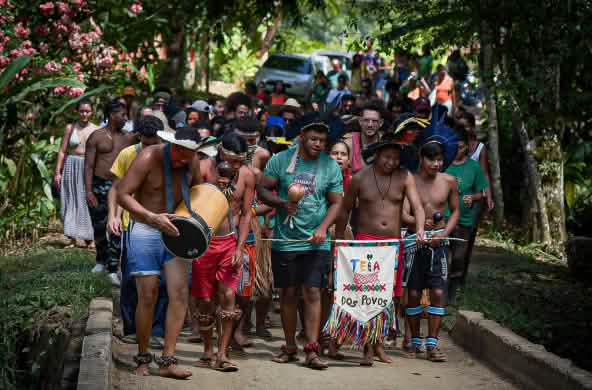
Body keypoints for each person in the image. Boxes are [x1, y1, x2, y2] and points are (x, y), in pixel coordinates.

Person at [116, 127, 204, 379]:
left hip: (176, 232)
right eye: (179, 151)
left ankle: (167, 360)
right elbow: (123, 194)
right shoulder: (148, 157)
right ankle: (143, 357)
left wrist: (196, 226)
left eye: (189, 154)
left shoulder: (192, 161)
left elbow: (199, 193)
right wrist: (151, 217)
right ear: (171, 144)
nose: (183, 158)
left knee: (179, 293)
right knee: (148, 294)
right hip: (145, 228)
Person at [257, 119, 343, 370]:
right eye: (314, 139)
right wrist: (282, 203)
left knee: (313, 292)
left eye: (323, 141)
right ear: (302, 136)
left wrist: (322, 228)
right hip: (285, 240)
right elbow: (263, 190)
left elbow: (336, 203)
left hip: (317, 242)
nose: (318, 144)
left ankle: (312, 349)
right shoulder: (280, 160)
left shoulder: (330, 166)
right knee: (288, 293)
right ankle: (289, 346)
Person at [335, 133, 426, 366]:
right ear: (376, 155)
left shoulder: (405, 177)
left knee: (389, 298)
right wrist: (338, 242)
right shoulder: (360, 178)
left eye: (396, 158)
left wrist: (421, 230)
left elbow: (417, 206)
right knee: (368, 296)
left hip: (393, 245)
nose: (391, 162)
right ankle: (367, 347)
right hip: (365, 243)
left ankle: (378, 344)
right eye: (387, 157)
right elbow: (344, 211)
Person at [193, 132, 256, 372]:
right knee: (205, 300)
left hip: (229, 242)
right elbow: (191, 202)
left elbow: (247, 213)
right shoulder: (205, 168)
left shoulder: (247, 176)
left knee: (229, 296)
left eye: (239, 162)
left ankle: (222, 354)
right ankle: (208, 350)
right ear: (220, 152)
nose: (235, 166)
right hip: (204, 242)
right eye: (231, 161)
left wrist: (240, 247)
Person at [108, 115, 167, 347]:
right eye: (146, 144)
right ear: (138, 137)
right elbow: (116, 188)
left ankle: (158, 331)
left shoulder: (169, 156)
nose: (150, 149)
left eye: (155, 144)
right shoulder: (127, 154)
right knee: (131, 281)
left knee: (162, 282)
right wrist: (113, 215)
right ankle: (131, 328)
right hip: (130, 225)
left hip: (163, 225)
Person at [401, 141, 460, 362]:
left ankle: (432, 345)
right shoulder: (410, 181)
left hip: (440, 243)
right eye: (431, 159)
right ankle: (415, 341)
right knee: (414, 293)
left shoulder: (449, 181)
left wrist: (443, 234)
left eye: (439, 160)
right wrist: (419, 224)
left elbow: (455, 212)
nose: (436, 164)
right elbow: (403, 214)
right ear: (421, 159)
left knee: (437, 293)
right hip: (415, 242)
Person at [84, 98, 136, 284]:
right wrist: (89, 191)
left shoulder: (129, 137)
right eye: (123, 115)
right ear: (112, 115)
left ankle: (113, 268)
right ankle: (101, 259)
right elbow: (88, 166)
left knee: (117, 227)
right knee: (99, 225)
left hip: (119, 186)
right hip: (98, 185)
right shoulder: (96, 136)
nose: (126, 118)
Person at [445, 127, 488, 304]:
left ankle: (453, 293)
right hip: (443, 220)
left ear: (467, 148)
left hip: (464, 220)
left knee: (458, 257)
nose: (457, 150)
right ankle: (437, 292)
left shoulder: (474, 167)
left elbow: (482, 192)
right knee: (441, 257)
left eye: (461, 147)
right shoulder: (443, 163)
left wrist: (474, 197)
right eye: (455, 146)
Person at [54, 99, 98, 249]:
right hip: (71, 165)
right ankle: (72, 238)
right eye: (81, 111)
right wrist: (57, 172)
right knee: (70, 199)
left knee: (87, 200)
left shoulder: (96, 129)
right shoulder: (70, 128)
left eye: (87, 111)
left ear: (92, 112)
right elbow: (62, 151)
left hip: (88, 167)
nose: (84, 114)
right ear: (77, 111)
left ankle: (90, 239)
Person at [346, 101, 384, 173]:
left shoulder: (386, 142)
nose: (370, 125)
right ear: (360, 121)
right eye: (366, 120)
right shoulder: (350, 143)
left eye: (374, 121)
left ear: (381, 123)